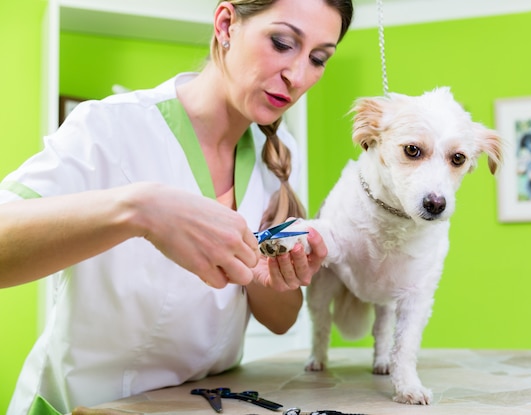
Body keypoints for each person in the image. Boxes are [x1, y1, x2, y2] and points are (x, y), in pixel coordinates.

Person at [0, 0, 353, 413]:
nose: (297, 76)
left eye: (318, 58)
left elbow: (281, 320)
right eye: (281, 42)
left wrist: (265, 275)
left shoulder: (276, 152)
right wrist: (139, 210)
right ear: (226, 25)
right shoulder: (110, 127)